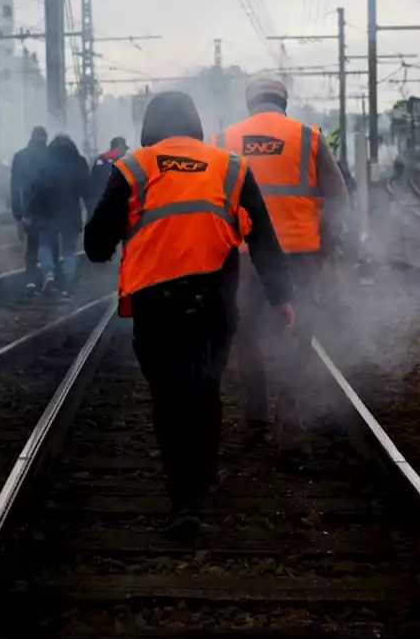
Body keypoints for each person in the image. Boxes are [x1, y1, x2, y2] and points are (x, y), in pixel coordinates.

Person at [85, 91, 294, 538]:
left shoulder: (133, 168)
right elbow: (264, 240)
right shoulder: (231, 167)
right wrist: (282, 298)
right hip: (214, 300)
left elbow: (96, 246)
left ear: (149, 127)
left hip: (155, 305)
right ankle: (198, 490)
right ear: (197, 125)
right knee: (205, 391)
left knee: (169, 398)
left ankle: (181, 497)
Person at [215, 75, 354, 456]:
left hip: (244, 259)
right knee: (298, 335)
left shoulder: (224, 140)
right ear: (283, 103)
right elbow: (338, 199)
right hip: (300, 258)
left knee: (246, 336)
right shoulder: (309, 137)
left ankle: (254, 419)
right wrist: (327, 247)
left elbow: (212, 203)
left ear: (250, 104)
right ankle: (289, 425)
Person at [28, 134, 90, 297]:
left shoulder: (45, 162)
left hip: (47, 212)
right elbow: (87, 189)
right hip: (70, 212)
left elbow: (35, 188)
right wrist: (92, 210)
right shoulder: (79, 162)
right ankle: (67, 284)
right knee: (69, 249)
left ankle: (49, 273)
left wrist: (30, 211)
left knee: (46, 244)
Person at [10, 126, 50, 290]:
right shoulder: (51, 155)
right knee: (48, 242)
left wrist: (18, 214)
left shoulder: (20, 157)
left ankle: (31, 281)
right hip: (48, 209)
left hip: (29, 209)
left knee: (32, 246)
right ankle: (50, 276)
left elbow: (14, 188)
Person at [90, 136, 128, 202]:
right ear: (119, 148)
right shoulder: (119, 163)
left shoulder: (100, 159)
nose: (125, 152)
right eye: (124, 149)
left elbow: (93, 180)